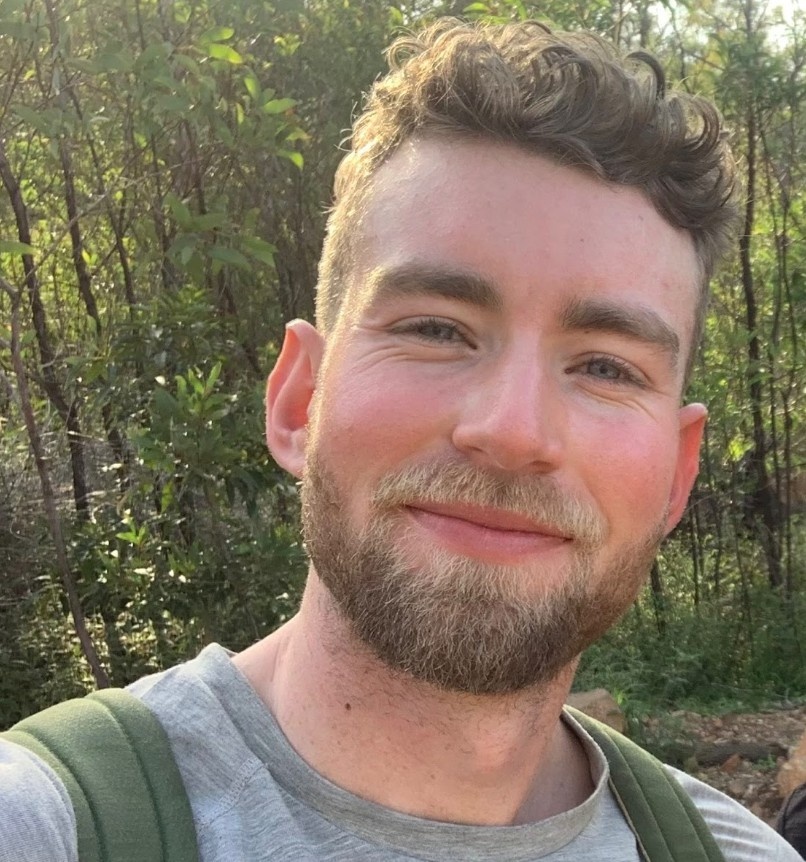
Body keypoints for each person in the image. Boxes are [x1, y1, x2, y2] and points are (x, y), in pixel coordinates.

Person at [1, 17, 800, 862]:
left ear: (677, 475)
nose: (512, 431)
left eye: (606, 367)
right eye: (437, 329)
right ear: (300, 400)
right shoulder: (43, 827)